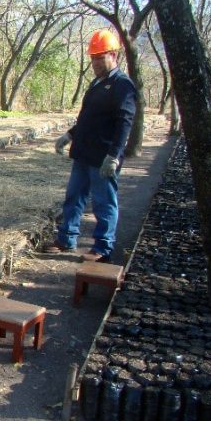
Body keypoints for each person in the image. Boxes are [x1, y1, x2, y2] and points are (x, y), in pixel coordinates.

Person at [46, 28, 137, 262]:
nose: (95, 63)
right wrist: (69, 135)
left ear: (113, 56)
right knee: (74, 196)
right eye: (93, 58)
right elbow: (88, 118)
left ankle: (103, 247)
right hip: (84, 154)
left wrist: (114, 156)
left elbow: (125, 123)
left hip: (103, 157)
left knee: (103, 202)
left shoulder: (123, 86)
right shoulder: (97, 83)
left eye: (100, 57)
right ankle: (67, 238)